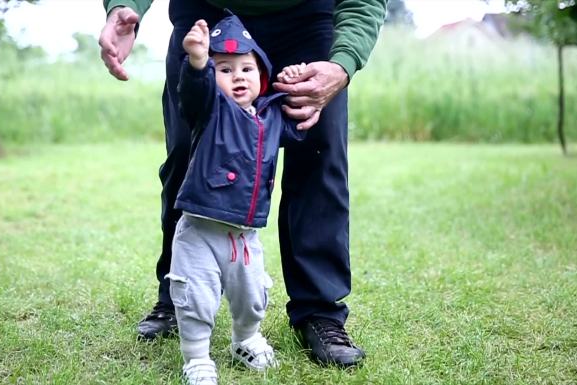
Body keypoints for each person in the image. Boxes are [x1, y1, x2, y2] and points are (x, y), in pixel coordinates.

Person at [99, 0, 387, 367]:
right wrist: (124, 6)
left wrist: (343, 62)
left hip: (306, 21)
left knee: (319, 153)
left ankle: (320, 313)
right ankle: (176, 298)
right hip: (206, 15)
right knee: (190, 154)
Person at [168, 14, 307, 384]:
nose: (238, 76)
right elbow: (194, 92)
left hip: (244, 235)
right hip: (201, 229)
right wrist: (198, 62)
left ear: (262, 77)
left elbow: (300, 125)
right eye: (225, 69)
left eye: (247, 68)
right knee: (195, 296)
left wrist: (294, 84)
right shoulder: (209, 110)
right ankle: (196, 358)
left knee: (251, 295)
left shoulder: (270, 116)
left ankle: (245, 338)